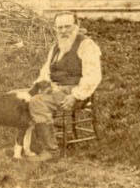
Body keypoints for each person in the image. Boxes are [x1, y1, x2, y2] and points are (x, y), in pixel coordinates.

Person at [26, 12, 102, 157]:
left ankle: (51, 151)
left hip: (76, 92)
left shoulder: (86, 45)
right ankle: (30, 146)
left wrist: (75, 96)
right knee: (22, 97)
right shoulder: (56, 47)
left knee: (37, 103)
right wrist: (37, 87)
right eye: (59, 28)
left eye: (67, 27)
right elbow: (45, 72)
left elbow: (93, 76)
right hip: (55, 89)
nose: (63, 31)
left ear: (77, 26)